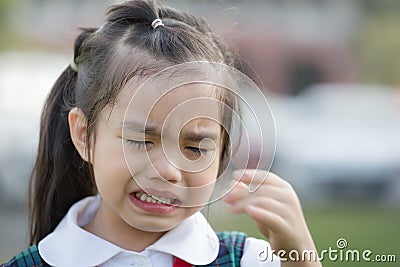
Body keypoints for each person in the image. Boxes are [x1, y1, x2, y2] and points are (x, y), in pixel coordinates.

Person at [1, 1, 321, 266]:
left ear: (224, 153)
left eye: (195, 148)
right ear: (84, 136)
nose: (168, 170)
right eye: (142, 141)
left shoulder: (247, 259)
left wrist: (301, 256)